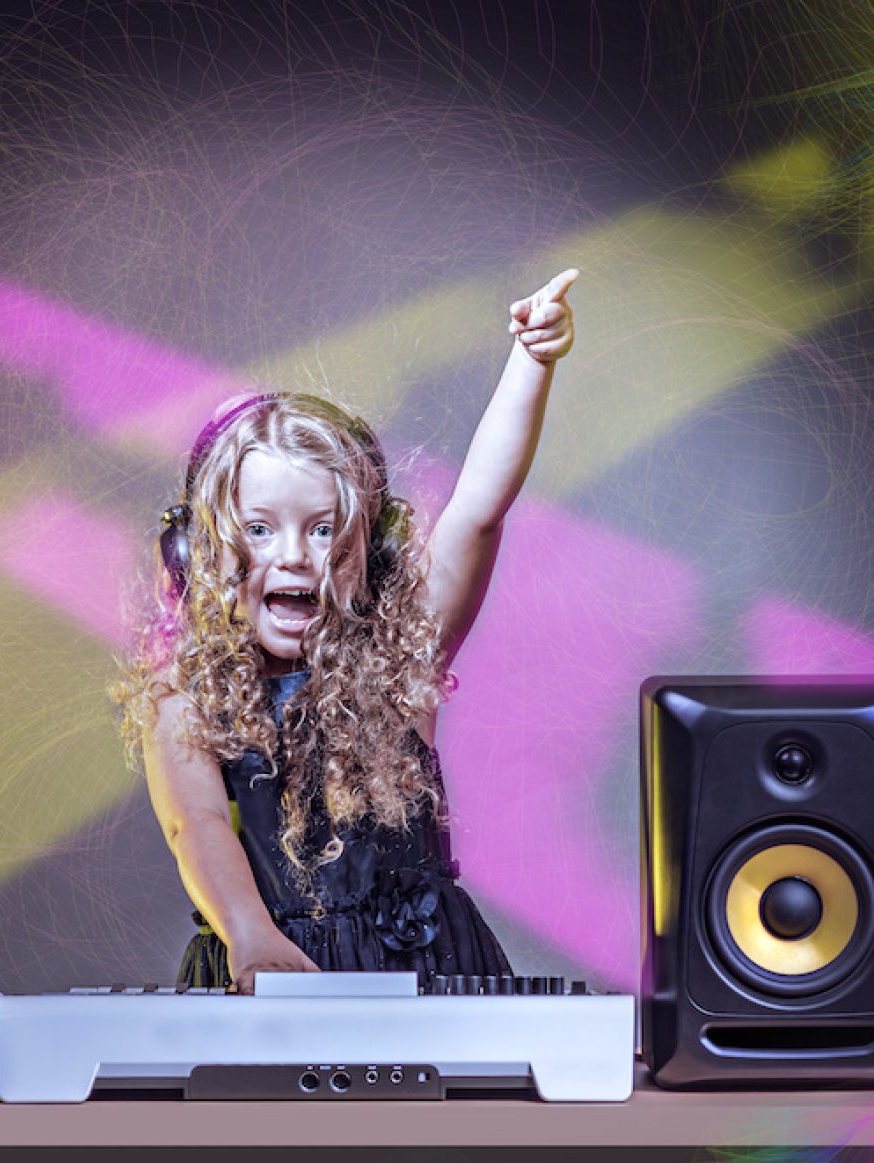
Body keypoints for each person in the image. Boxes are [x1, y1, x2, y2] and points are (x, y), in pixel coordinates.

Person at [116, 269, 578, 993]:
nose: (295, 554)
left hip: (427, 970)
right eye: (260, 530)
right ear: (201, 557)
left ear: (370, 549)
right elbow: (196, 825)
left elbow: (479, 509)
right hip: (263, 964)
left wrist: (532, 361)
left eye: (324, 528)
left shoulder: (399, 652)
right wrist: (250, 936)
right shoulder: (186, 695)